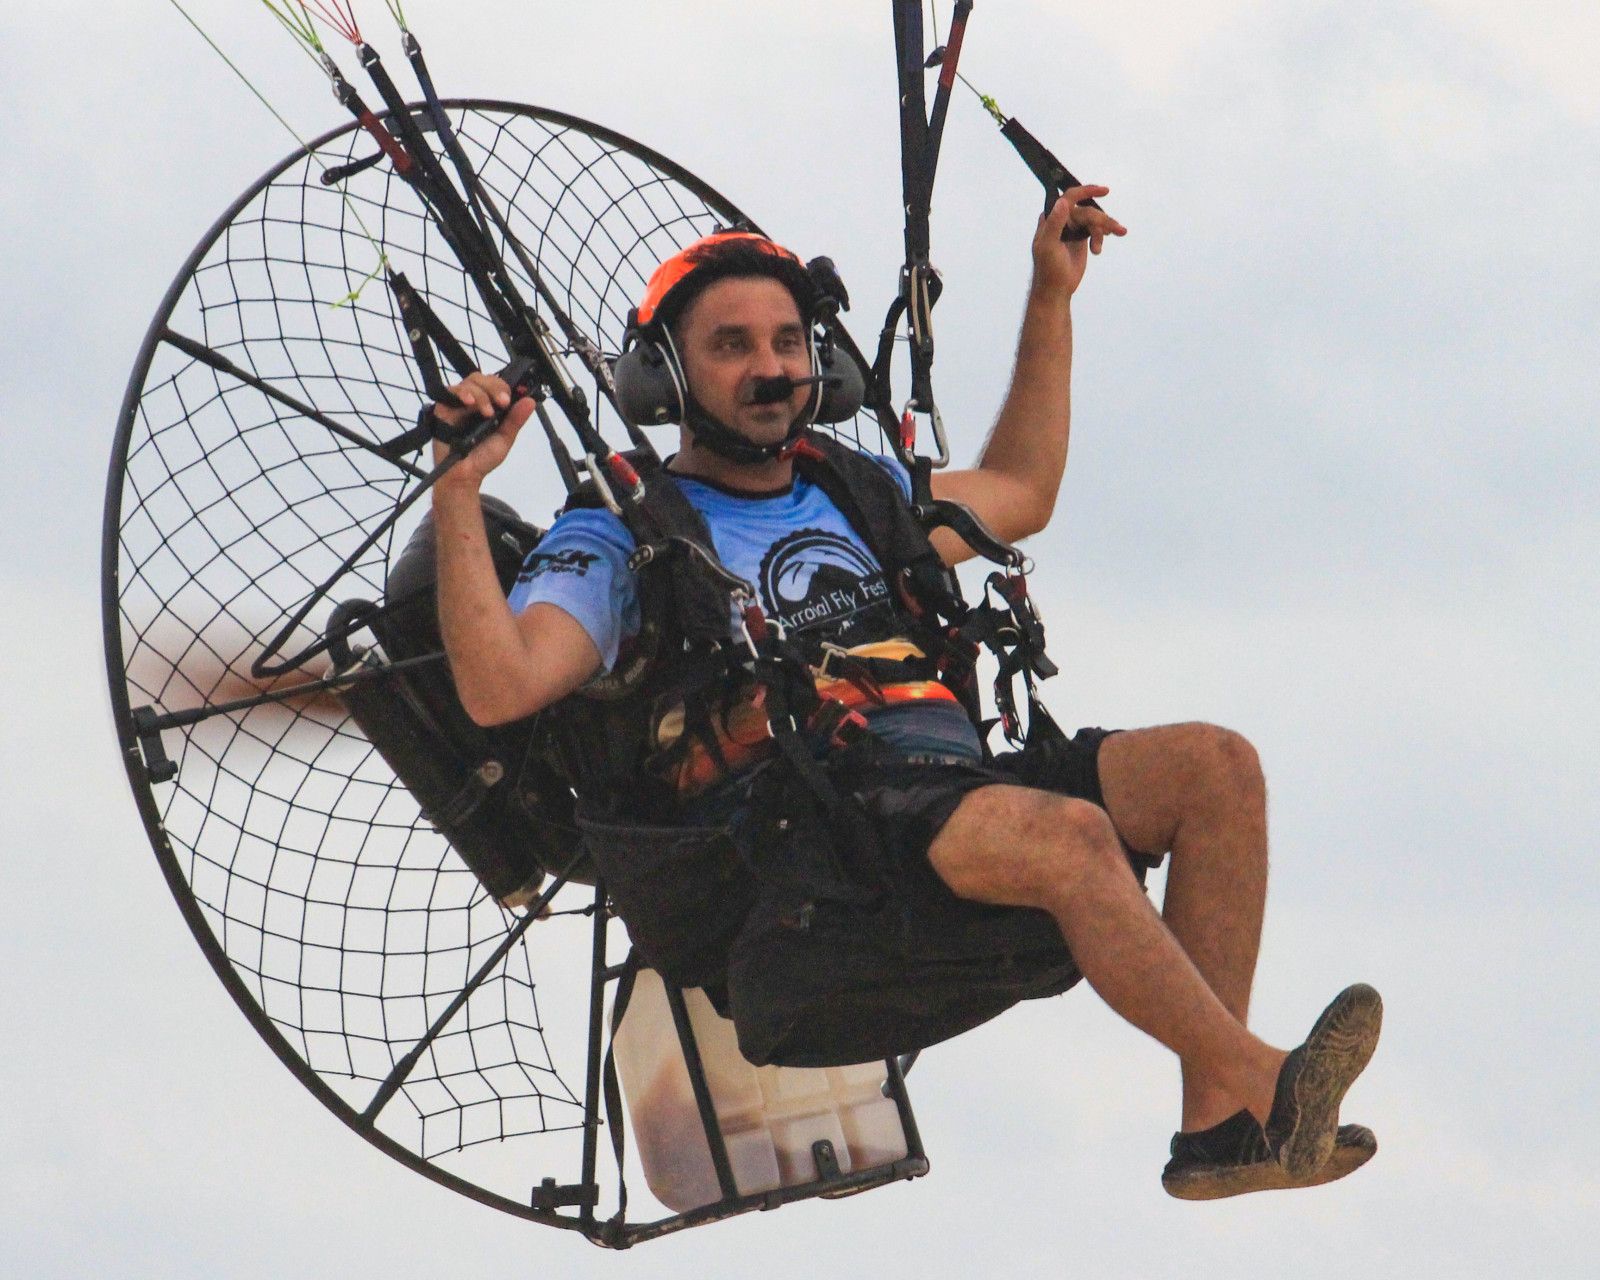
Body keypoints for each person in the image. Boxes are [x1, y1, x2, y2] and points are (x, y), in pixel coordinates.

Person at [426, 186, 1381, 1200]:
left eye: (789, 341)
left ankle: (1223, 1132)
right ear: (666, 374)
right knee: (1067, 838)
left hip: (939, 793)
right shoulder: (623, 533)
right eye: (733, 345)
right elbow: (501, 688)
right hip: (809, 858)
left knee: (1213, 767)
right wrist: (457, 491)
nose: (771, 368)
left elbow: (1022, 486)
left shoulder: (855, 489)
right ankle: (1268, 1080)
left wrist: (1050, 295)